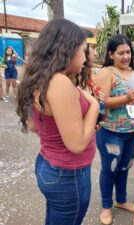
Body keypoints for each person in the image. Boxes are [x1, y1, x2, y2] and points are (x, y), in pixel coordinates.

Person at [16, 19, 99, 225]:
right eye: (82, 50)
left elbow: (37, 126)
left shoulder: (41, 78)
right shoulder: (60, 83)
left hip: (49, 165)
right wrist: (95, 107)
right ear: (67, 50)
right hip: (67, 175)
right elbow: (77, 144)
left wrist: (81, 122)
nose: (86, 57)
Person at [93, 34, 134, 225]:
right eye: (121, 53)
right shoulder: (107, 72)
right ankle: (107, 206)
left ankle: (121, 200)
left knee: (124, 168)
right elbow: (101, 101)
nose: (125, 56)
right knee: (110, 169)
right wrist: (127, 98)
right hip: (111, 132)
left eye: (128, 52)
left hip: (132, 132)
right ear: (111, 54)